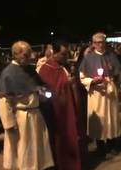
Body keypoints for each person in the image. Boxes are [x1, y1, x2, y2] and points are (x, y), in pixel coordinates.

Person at [0, 41, 54, 170]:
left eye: (29, 55)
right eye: (25, 55)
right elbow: (4, 102)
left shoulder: (30, 69)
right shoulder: (8, 73)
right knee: (24, 151)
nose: (28, 58)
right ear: (15, 54)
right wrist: (9, 124)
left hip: (36, 115)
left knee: (38, 150)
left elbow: (39, 86)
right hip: (21, 118)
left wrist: (42, 91)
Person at [38, 40, 83, 170]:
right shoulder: (46, 69)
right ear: (54, 53)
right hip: (57, 112)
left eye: (67, 54)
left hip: (70, 108)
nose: (66, 57)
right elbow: (46, 91)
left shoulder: (64, 66)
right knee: (59, 140)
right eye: (63, 54)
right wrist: (66, 83)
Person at [79, 32, 121, 156]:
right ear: (93, 44)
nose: (100, 45)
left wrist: (120, 88)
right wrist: (93, 81)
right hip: (97, 93)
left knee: (112, 117)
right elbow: (82, 77)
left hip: (110, 91)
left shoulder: (111, 56)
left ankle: (112, 144)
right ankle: (100, 146)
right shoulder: (88, 58)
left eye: (102, 42)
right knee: (100, 118)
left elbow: (118, 75)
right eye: (98, 42)